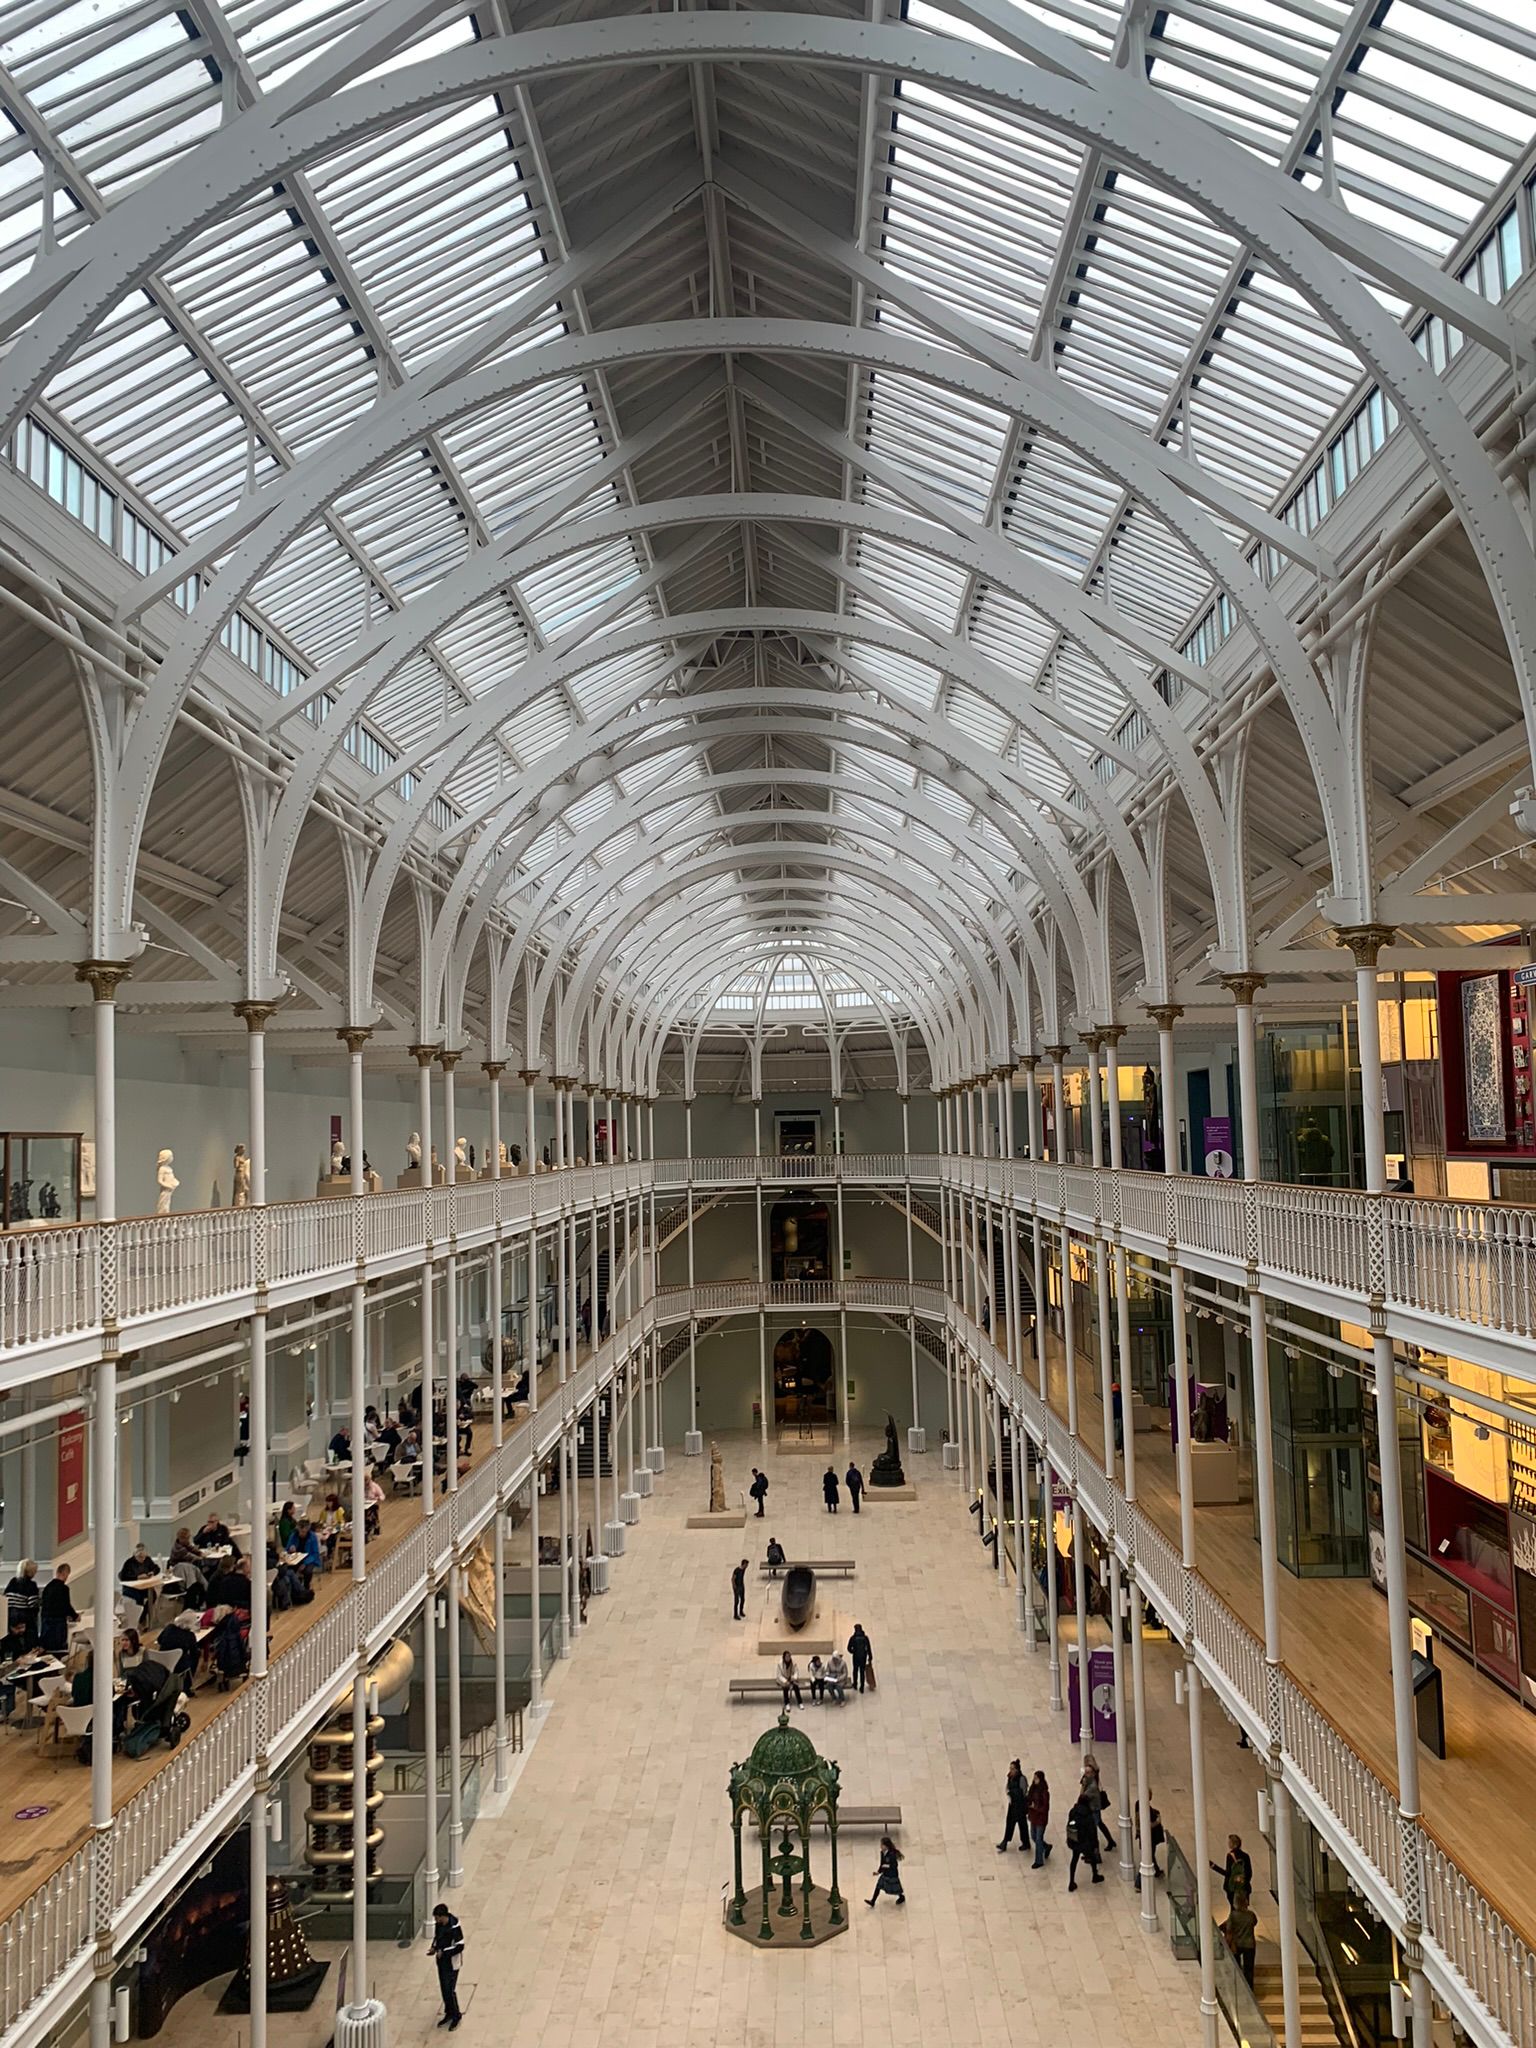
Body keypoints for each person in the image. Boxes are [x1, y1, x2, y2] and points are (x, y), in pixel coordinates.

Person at [428, 1902, 465, 2030]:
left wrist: (444, 1952)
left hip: (452, 1963)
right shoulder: (439, 1925)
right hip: (442, 1962)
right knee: (444, 1989)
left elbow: (460, 1946)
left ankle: (456, 2015)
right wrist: (434, 1947)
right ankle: (449, 2012)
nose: (436, 1921)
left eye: (437, 1918)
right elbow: (437, 1938)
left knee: (450, 1989)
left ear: (443, 1916)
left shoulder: (454, 1926)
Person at [1066, 1785, 1104, 1890]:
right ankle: (1095, 1875)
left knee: (1074, 1860)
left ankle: (1071, 1881)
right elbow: (1092, 1831)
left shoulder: (1073, 1811)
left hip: (1075, 1840)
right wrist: (1095, 1844)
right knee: (1092, 1857)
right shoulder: (1088, 1815)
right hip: (1085, 1842)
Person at [38, 1563, 77, 1654]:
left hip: (46, 1620)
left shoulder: (48, 1587)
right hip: (58, 1622)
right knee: (58, 1648)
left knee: (47, 1647)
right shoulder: (64, 1588)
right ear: (65, 1574)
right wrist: (74, 1616)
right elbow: (66, 1605)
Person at [1080, 1753, 1115, 1852]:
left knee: (1093, 1829)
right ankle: (1110, 1841)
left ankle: (1095, 1853)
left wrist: (1083, 1785)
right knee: (1099, 1824)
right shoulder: (1092, 1776)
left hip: (1093, 1806)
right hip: (1094, 1805)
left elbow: (1082, 1796)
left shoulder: (1091, 1782)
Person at [1224, 1887, 1259, 1986]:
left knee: (1237, 1968)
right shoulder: (1251, 1915)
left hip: (1237, 1944)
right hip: (1250, 1944)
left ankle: (1239, 1987)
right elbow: (1255, 1923)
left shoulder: (1233, 1915)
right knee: (1249, 1969)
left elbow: (1229, 1930)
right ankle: (1250, 1988)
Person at [4, 1559, 40, 1645]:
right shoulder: (31, 1585)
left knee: (14, 1645)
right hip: (25, 1618)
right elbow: (32, 1605)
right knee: (29, 1645)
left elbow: (5, 1599)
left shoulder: (13, 1582)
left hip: (11, 1616)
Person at [119, 1543, 159, 1617]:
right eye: (140, 1557)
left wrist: (152, 1572)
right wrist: (137, 1577)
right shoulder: (129, 1563)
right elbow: (123, 1576)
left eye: (144, 1557)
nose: (142, 1559)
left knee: (153, 1595)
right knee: (138, 1598)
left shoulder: (147, 1560)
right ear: (135, 1555)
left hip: (144, 1586)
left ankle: (143, 1616)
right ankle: (138, 1618)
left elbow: (156, 1568)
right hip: (131, 1588)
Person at [1214, 1833, 1254, 1906]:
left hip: (1232, 1888)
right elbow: (1249, 1873)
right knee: (1243, 1907)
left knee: (1233, 1907)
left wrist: (1214, 1867)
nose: (1228, 1844)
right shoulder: (1246, 1856)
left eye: (1229, 1842)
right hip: (1244, 1887)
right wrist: (1243, 1882)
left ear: (1234, 1844)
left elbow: (1228, 1873)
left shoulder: (1230, 1856)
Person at [997, 1759, 1029, 1851]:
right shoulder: (1010, 1777)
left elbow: (1023, 1792)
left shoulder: (1021, 1778)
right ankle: (1005, 1841)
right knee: (1010, 1822)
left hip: (1020, 1806)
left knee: (1022, 1824)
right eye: (1010, 1768)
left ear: (1017, 1769)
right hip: (1013, 1805)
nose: (1010, 1770)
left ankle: (1025, 1842)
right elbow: (1008, 1787)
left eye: (1012, 1768)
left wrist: (1013, 1793)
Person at [866, 1836, 905, 1908]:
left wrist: (886, 1866)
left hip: (892, 1874)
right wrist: (878, 1872)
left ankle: (901, 1896)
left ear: (886, 1846)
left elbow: (894, 1865)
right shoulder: (882, 1853)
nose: (880, 1846)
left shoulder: (892, 1854)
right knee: (878, 1886)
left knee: (895, 1888)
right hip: (885, 1873)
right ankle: (873, 1901)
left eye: (882, 1845)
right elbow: (882, 1863)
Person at [1027, 1770, 1052, 1866]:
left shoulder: (1045, 1793)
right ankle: (1046, 1847)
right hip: (1033, 1817)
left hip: (1041, 1818)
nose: (1034, 1780)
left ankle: (1039, 1860)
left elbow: (1045, 1807)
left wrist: (1035, 1807)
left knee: (1038, 1839)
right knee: (1033, 1836)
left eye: (1036, 1778)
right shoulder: (1033, 1789)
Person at [847, 1622, 873, 1693]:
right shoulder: (865, 1638)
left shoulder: (853, 1638)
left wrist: (853, 1652)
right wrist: (870, 1656)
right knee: (862, 1672)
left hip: (855, 1657)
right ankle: (862, 1687)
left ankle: (855, 1684)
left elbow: (849, 1648)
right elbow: (868, 1648)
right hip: (863, 1657)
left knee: (855, 1670)